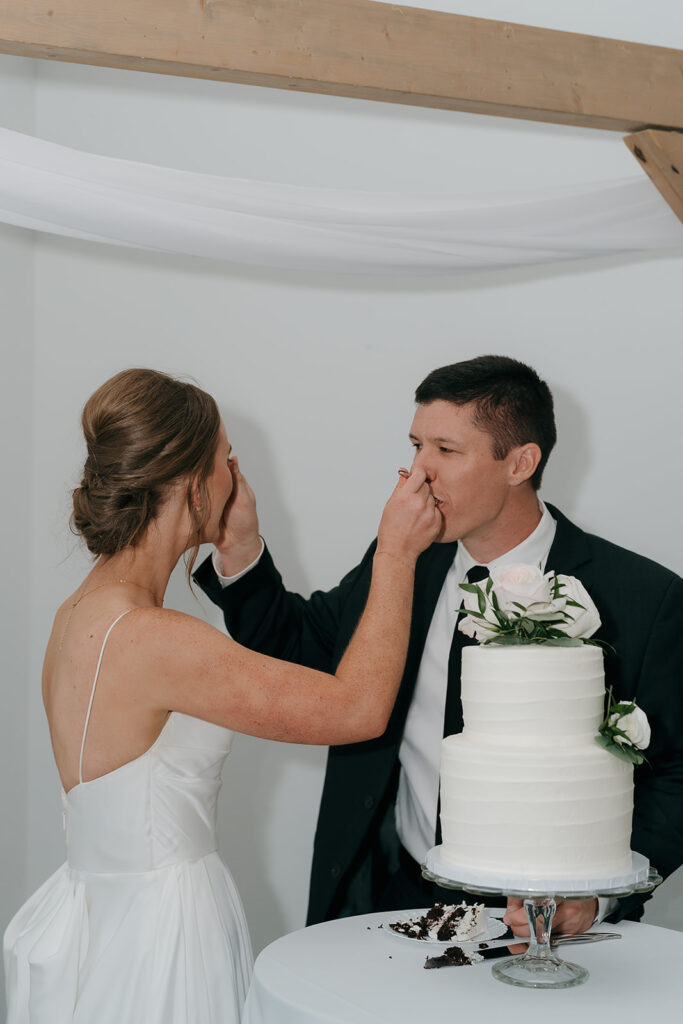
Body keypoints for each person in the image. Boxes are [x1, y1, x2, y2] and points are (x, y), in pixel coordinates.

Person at [3, 368, 440, 1024]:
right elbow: (356, 710)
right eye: (225, 460)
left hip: (95, 914)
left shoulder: (82, 612)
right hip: (160, 930)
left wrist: (239, 546)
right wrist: (397, 556)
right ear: (189, 482)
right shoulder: (155, 638)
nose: (235, 475)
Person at [195, 354, 683, 939]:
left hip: (536, 917)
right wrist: (241, 549)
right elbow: (303, 645)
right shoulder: (406, 561)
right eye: (415, 445)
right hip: (387, 895)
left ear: (520, 463)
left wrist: (595, 900)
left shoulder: (644, 598)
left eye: (446, 451)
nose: (416, 473)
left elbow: (677, 776)